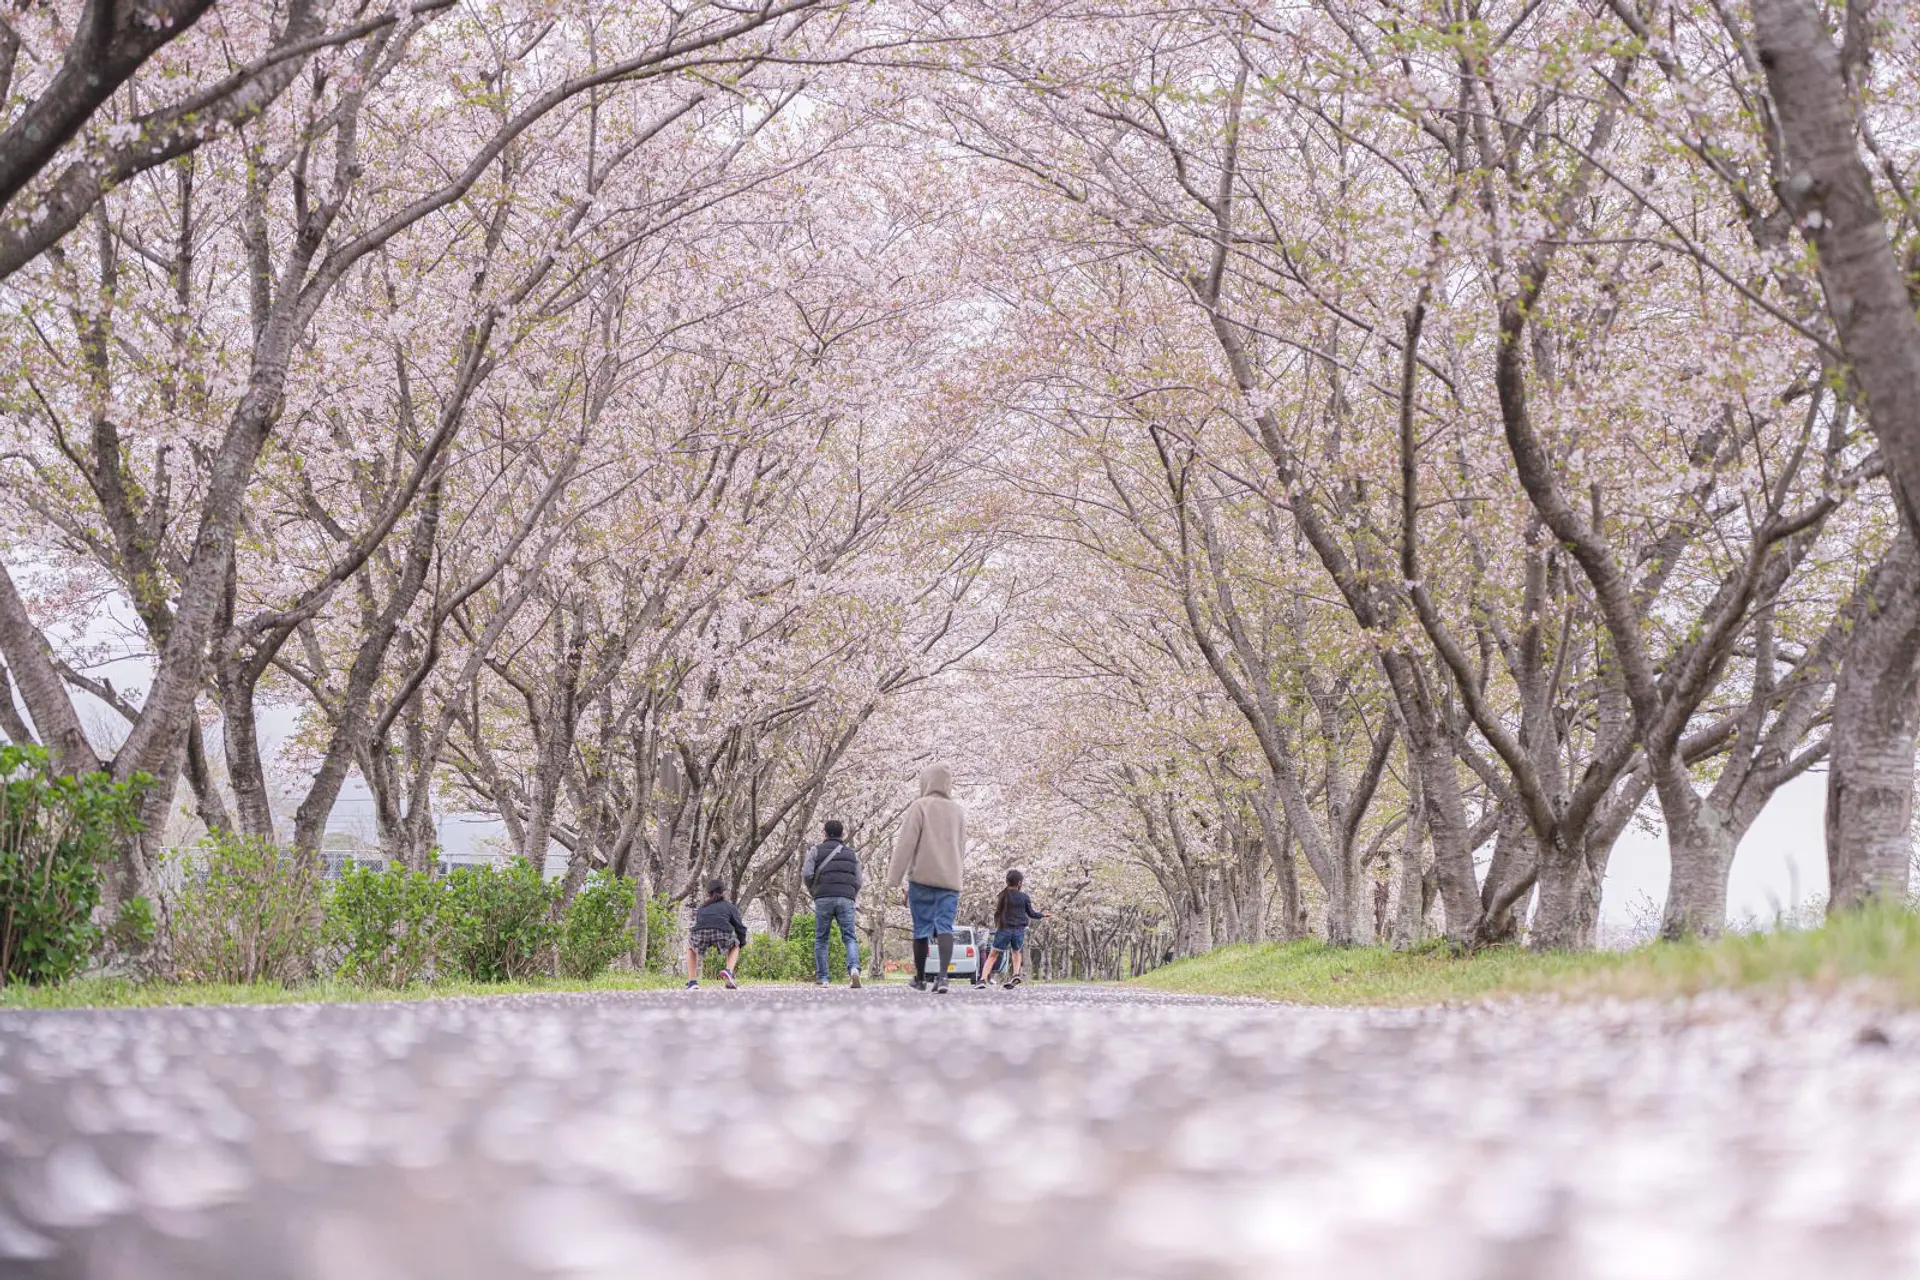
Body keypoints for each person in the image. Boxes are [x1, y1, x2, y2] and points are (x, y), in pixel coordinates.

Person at [885, 763, 966, 994]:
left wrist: (894, 878)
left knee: (921, 928)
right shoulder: (957, 811)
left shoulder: (919, 806)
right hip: (950, 878)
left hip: (922, 877)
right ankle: (942, 978)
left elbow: (905, 844)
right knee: (945, 927)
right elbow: (960, 846)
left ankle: (920, 978)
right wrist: (957, 872)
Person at [801, 819, 863, 988]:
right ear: (843, 834)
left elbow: (806, 873)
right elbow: (859, 880)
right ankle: (854, 969)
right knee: (849, 937)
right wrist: (852, 895)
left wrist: (814, 891)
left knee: (821, 939)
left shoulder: (815, 850)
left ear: (825, 833)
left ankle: (823, 977)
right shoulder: (852, 854)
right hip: (846, 898)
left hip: (823, 897)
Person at [975, 868, 1045, 989]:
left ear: (1007, 882)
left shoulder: (1002, 895)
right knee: (1016, 952)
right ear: (1019, 883)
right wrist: (1043, 915)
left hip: (1004, 929)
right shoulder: (1024, 897)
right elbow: (1031, 913)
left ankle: (982, 979)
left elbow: (997, 913)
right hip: (1018, 930)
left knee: (993, 955)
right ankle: (1016, 974)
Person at [685, 879, 746, 990]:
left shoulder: (702, 908)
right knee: (734, 945)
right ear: (723, 892)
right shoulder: (729, 906)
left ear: (709, 893)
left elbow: (701, 922)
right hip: (721, 931)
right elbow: (740, 927)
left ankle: (692, 982)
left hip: (700, 932)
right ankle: (728, 972)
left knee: (690, 948)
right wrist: (741, 942)